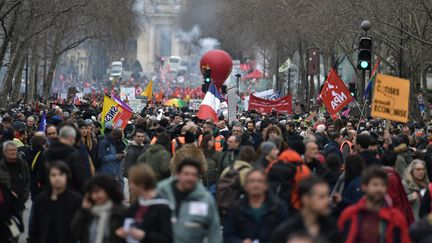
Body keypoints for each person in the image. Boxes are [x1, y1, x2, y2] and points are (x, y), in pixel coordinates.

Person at [338, 166, 411, 243]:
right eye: (375, 184)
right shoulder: (350, 215)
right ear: (364, 186)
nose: (379, 189)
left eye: (383, 185)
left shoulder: (396, 218)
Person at [157, 158, 222, 243]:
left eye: (194, 175)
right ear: (178, 174)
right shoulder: (161, 193)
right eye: (186, 174)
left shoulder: (205, 199)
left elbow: (214, 230)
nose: (190, 178)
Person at [271, 176, 342, 243]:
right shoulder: (285, 232)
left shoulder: (332, 229)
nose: (327, 201)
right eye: (321, 197)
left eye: (327, 196)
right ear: (306, 199)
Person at [223, 169, 288, 243]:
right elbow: (228, 235)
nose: (256, 184)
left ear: (266, 185)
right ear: (245, 186)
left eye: (260, 181)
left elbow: (285, 234)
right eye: (252, 181)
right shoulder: (235, 208)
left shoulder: (278, 207)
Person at [116, 164, 172, 243]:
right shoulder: (135, 206)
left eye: (132, 182)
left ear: (141, 184)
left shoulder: (163, 207)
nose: (130, 186)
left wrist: (144, 236)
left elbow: (167, 238)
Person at [29, 161, 82, 243]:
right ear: (48, 177)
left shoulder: (76, 200)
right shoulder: (40, 201)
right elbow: (34, 230)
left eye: (61, 174)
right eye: (53, 175)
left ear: (67, 176)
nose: (57, 178)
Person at [71, 175, 126, 243]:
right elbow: (76, 233)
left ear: (108, 190)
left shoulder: (120, 211)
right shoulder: (89, 211)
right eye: (91, 193)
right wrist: (83, 210)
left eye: (97, 191)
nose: (94, 196)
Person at [43, 125, 89, 193]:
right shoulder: (74, 155)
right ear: (72, 138)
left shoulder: (47, 153)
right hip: (72, 196)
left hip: (51, 194)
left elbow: (41, 176)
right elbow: (81, 179)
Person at [381, 150, 415, 225]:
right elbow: (396, 199)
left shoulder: (379, 175)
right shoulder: (392, 177)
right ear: (395, 163)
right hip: (394, 218)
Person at [0, 141, 30, 213]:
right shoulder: (1, 166)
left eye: (15, 150)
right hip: (3, 205)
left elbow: (27, 181)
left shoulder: (23, 164)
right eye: (10, 150)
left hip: (19, 203)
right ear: (4, 152)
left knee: (18, 223)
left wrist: (24, 196)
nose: (13, 152)